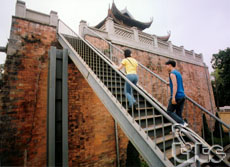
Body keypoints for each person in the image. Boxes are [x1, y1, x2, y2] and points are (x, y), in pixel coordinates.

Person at [165, 60, 188, 126]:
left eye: (166, 66)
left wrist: (173, 97)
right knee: (178, 114)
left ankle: (183, 122)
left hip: (177, 96)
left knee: (169, 112)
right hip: (182, 96)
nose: (166, 67)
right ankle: (182, 128)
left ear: (170, 65)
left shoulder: (172, 74)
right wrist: (169, 83)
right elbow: (177, 82)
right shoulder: (178, 73)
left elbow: (175, 85)